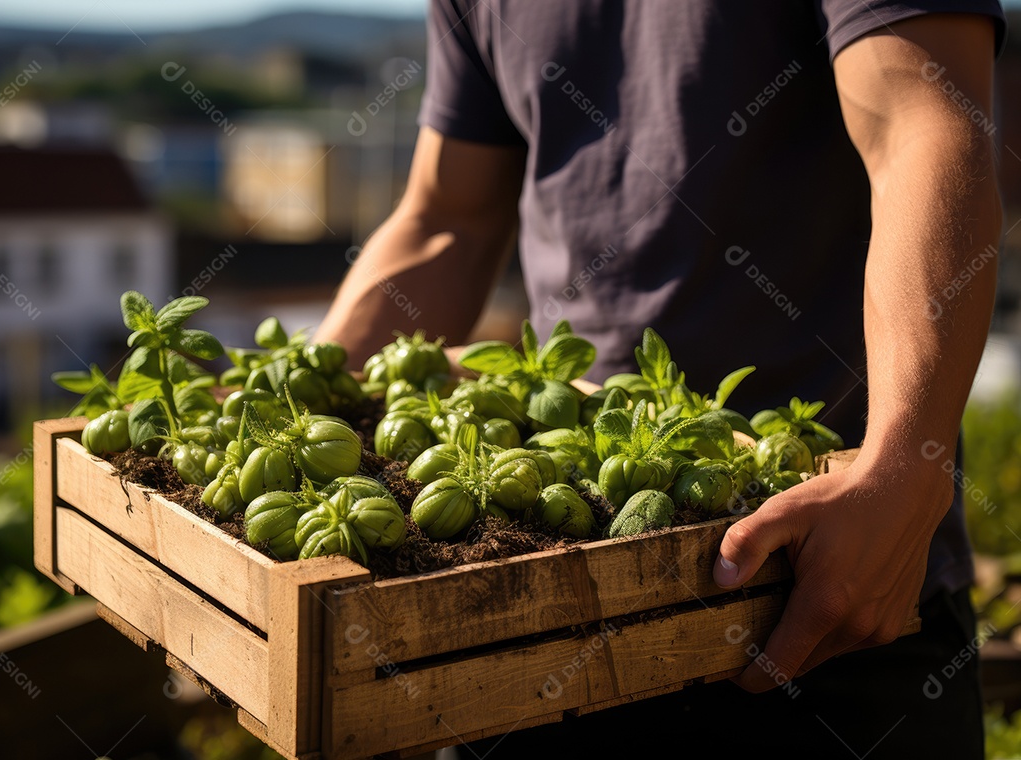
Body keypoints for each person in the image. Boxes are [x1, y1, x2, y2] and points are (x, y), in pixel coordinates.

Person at [314, 2, 1006, 755]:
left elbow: (924, 126)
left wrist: (905, 465)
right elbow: (448, 217)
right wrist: (298, 389)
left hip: (828, 584)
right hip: (550, 596)